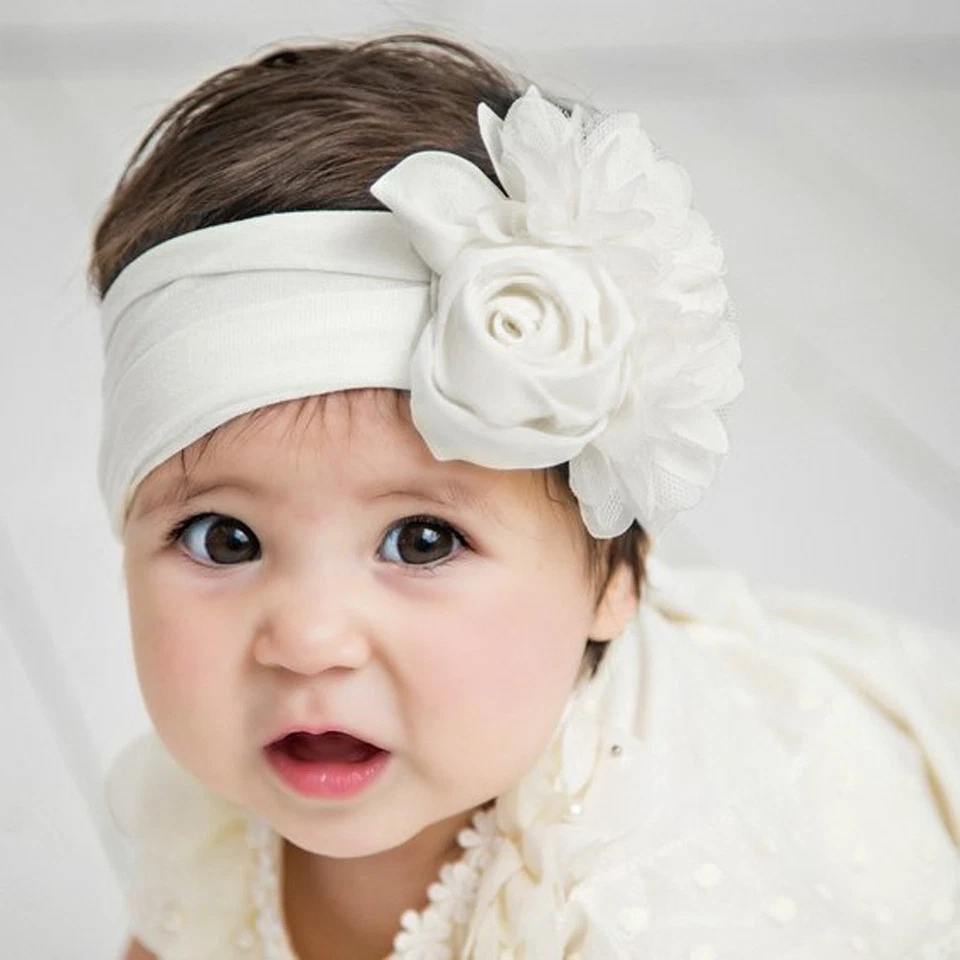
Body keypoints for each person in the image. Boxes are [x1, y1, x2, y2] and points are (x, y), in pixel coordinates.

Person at [89, 31, 959, 960]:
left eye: (422, 540)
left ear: (612, 578)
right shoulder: (217, 803)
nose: (307, 639)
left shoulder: (649, 900)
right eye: (223, 539)